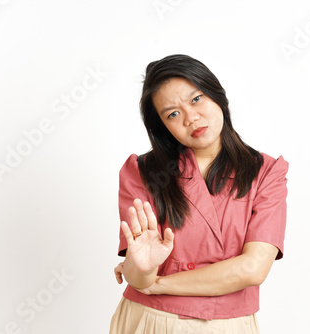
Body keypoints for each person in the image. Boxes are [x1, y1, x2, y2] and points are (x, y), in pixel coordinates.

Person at [109, 54, 289, 334]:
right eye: (172, 114)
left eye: (196, 99)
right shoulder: (143, 172)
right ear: (163, 127)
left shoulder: (266, 172)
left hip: (231, 325)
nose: (191, 118)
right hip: (151, 320)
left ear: (217, 95)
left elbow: (253, 268)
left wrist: (158, 284)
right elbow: (137, 275)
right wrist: (143, 271)